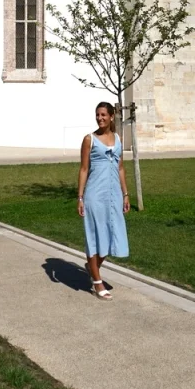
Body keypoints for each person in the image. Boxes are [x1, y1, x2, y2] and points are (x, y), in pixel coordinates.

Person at [77, 101, 130, 300]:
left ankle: (92, 267)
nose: (100, 118)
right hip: (94, 195)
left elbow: (121, 168)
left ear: (111, 116)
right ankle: (97, 282)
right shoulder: (89, 139)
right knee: (95, 236)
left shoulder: (117, 138)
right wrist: (80, 197)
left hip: (114, 195)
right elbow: (83, 169)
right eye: (97, 115)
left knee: (113, 233)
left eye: (103, 115)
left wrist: (125, 194)